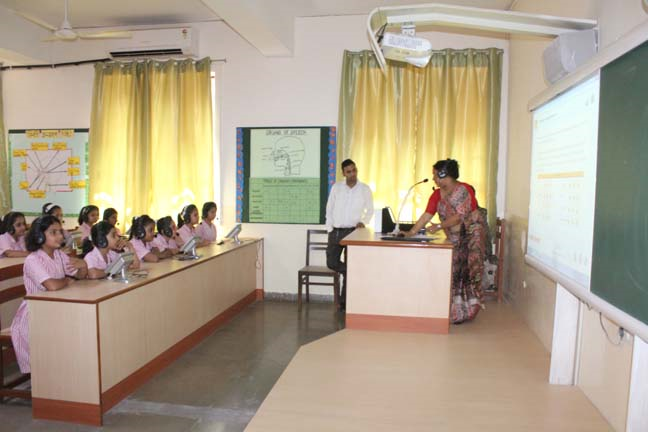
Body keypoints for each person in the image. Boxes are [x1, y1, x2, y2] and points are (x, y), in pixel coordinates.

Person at [401, 158, 488, 324]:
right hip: (453, 237)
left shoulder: (463, 190)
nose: (433, 178)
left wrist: (439, 226)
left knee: (469, 272)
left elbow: (460, 217)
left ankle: (469, 311)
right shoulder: (436, 194)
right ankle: (456, 312)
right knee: (454, 272)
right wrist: (411, 232)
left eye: (435, 174)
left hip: (471, 238)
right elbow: (427, 215)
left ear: (444, 174)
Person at [10, 215, 88, 373]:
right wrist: (67, 280)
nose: (60, 236)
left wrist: (83, 266)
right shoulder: (33, 259)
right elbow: (51, 285)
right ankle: (47, 377)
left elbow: (79, 276)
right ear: (39, 236)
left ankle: (65, 373)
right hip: (34, 315)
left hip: (55, 308)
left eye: (60, 232)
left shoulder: (59, 254)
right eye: (53, 232)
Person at [325, 159, 374, 309]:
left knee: (350, 264)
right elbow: (329, 208)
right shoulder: (337, 187)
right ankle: (349, 271)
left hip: (353, 232)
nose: (352, 174)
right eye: (349, 171)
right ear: (343, 173)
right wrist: (330, 228)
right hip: (336, 231)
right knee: (331, 262)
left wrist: (363, 222)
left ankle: (344, 303)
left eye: (354, 170)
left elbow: (370, 210)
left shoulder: (364, 189)